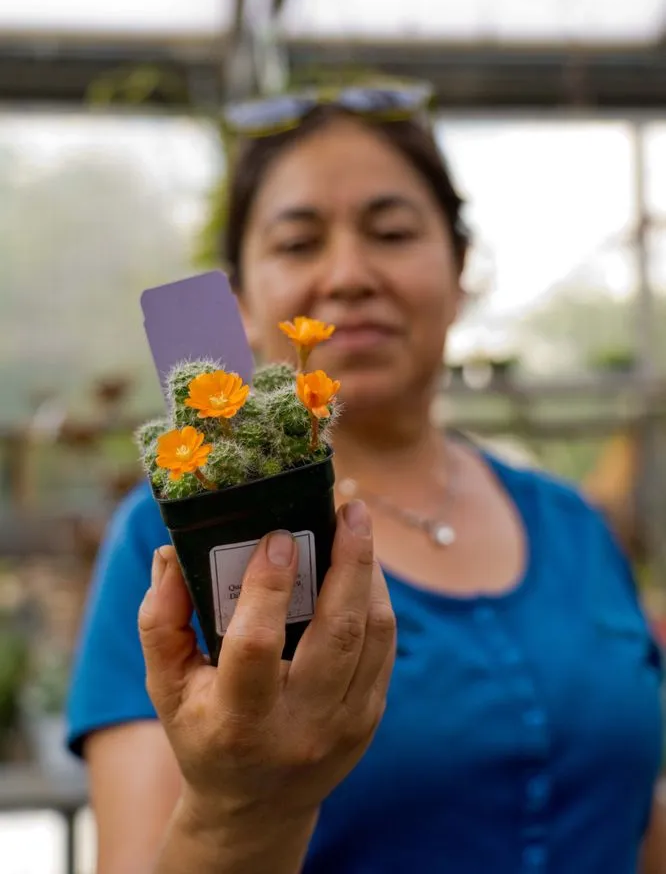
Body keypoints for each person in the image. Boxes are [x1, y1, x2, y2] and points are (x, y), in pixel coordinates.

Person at [66, 82, 665, 874]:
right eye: (297, 242)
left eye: (390, 231)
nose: (348, 274)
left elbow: (632, 815)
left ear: (459, 277)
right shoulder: (170, 539)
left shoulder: (573, 524)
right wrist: (242, 807)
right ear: (239, 301)